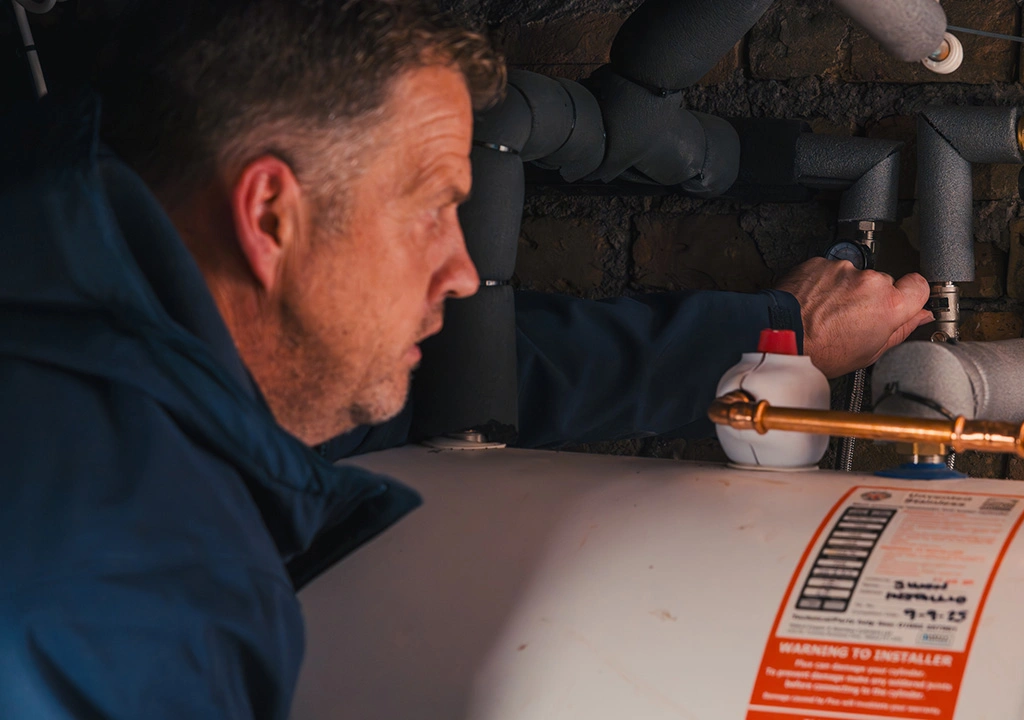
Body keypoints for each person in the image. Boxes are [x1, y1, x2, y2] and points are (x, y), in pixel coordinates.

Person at [0, 1, 931, 717]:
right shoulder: (138, 601)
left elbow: (465, 382)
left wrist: (770, 333)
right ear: (272, 216)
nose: (459, 270)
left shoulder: (99, 334)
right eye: (431, 207)